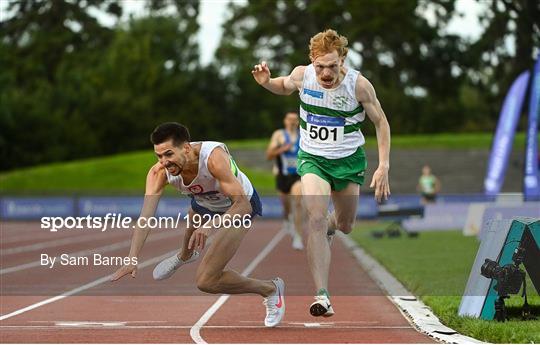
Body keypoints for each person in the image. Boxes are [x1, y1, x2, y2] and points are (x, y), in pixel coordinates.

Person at [252, 29, 391, 317]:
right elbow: (283, 85)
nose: (326, 73)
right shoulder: (304, 75)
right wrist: (267, 82)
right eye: (320, 66)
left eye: (332, 65)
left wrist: (383, 165)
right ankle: (322, 295)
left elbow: (381, 122)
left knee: (345, 224)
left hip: (349, 162)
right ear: (311, 61)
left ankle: (330, 224)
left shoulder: (359, 86)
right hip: (313, 158)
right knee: (314, 217)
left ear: (343, 59)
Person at [111, 122, 285, 328]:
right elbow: (145, 217)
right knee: (194, 214)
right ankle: (185, 255)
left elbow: (243, 206)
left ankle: (271, 289)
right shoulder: (159, 173)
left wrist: (212, 224)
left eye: (168, 154)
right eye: (158, 156)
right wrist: (132, 258)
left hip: (237, 206)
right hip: (203, 202)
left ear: (186, 148)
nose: (164, 162)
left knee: (206, 282)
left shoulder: (214, 159)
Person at [266, 111, 304, 250]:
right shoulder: (279, 135)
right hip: (283, 176)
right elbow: (269, 155)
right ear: (285, 121)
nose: (292, 122)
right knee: (286, 205)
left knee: (298, 200)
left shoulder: (304, 135)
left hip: (298, 175)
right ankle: (287, 218)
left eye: (295, 119)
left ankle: (298, 236)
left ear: (298, 122)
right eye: (290, 119)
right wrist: (283, 149)